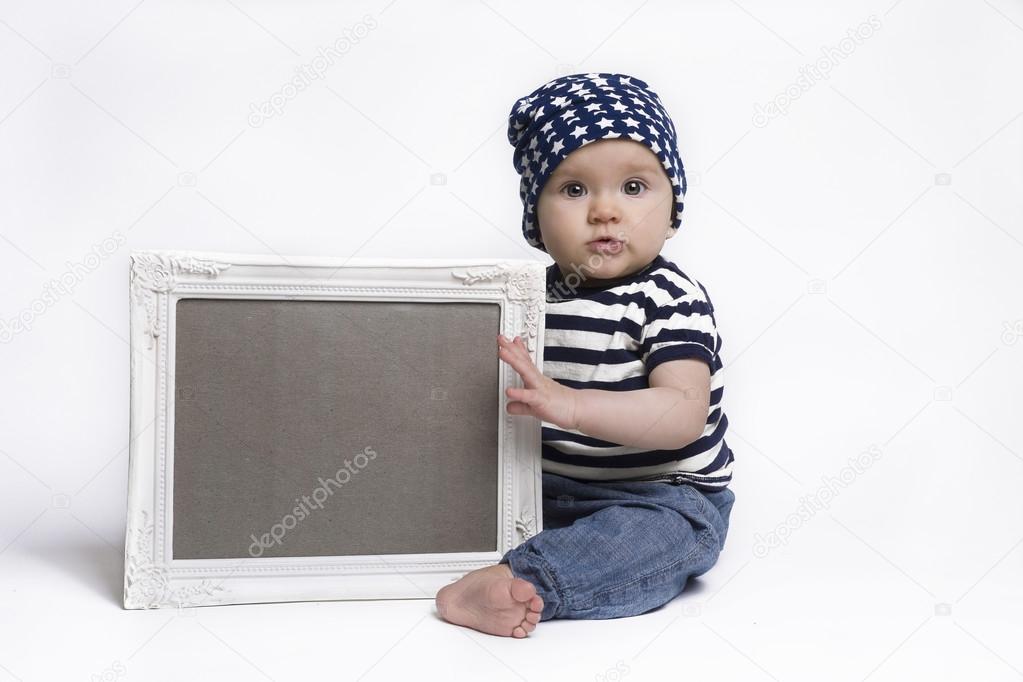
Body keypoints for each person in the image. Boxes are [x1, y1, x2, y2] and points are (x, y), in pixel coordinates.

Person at [436, 72, 735, 638]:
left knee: (649, 545)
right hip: (541, 490)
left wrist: (571, 406)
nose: (604, 211)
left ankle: (528, 582)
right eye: (573, 190)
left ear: (673, 208)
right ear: (535, 216)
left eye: (634, 187)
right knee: (455, 501)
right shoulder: (524, 297)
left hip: (661, 497)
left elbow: (681, 413)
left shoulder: (668, 298)